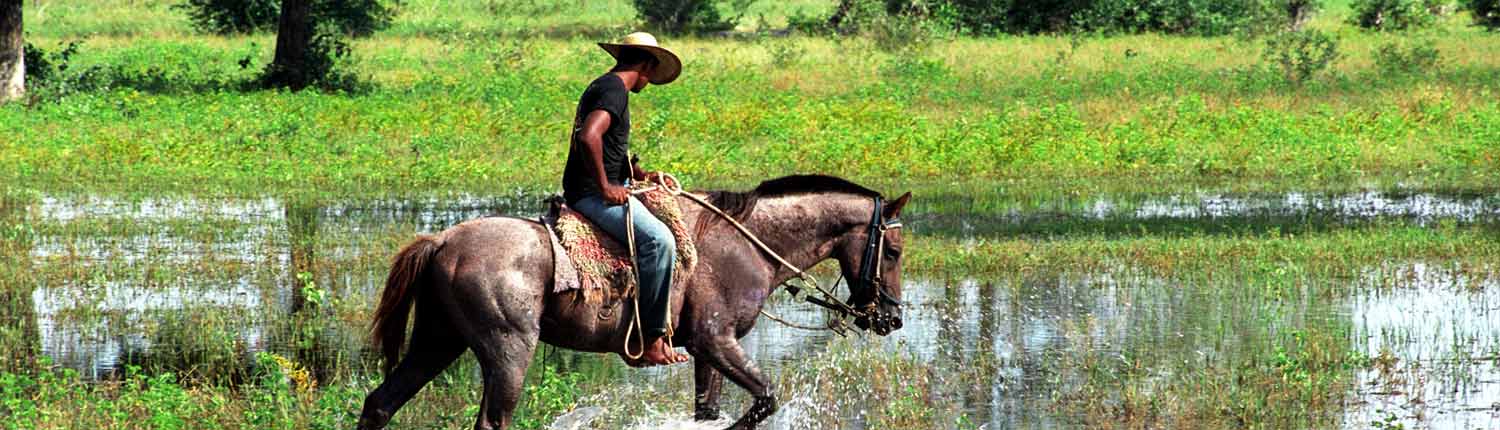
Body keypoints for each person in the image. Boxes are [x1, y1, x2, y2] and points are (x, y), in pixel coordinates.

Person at [561, 32, 690, 366]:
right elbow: (590, 136)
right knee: (660, 242)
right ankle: (651, 338)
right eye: (652, 71)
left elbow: (609, 144)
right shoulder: (615, 90)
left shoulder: (605, 85)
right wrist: (606, 187)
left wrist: (638, 173)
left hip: (591, 186)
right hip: (590, 194)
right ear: (646, 64)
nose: (649, 80)